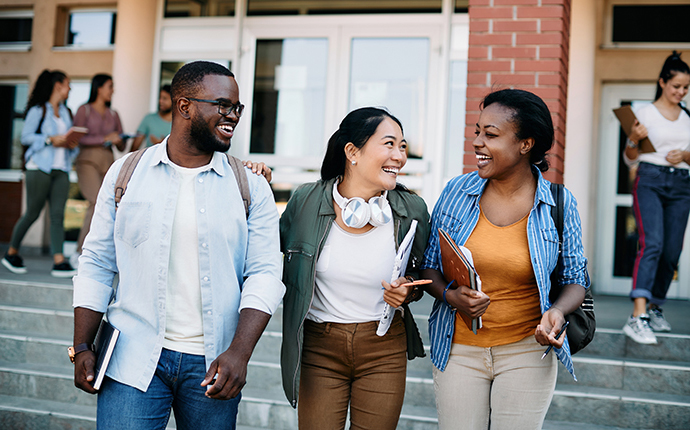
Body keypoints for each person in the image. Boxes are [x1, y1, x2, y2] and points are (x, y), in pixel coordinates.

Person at [71, 61, 285, 429]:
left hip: (214, 366)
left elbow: (265, 273)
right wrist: (83, 346)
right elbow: (97, 261)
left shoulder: (250, 187)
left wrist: (239, 353)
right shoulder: (126, 174)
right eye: (222, 105)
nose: (232, 116)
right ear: (184, 106)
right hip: (131, 360)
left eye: (237, 107)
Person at [420, 89, 590, 430]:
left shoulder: (559, 202)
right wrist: (450, 296)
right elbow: (430, 266)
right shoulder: (456, 191)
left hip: (527, 351)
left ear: (525, 144)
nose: (478, 142)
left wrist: (556, 312)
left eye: (491, 135)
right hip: (458, 351)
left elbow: (576, 280)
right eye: (477, 132)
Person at [279, 107, 430, 429]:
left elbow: (420, 274)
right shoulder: (305, 202)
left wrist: (407, 290)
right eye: (389, 144)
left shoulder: (411, 209)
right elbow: (266, 258)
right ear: (352, 152)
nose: (399, 157)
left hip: (384, 347)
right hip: (320, 347)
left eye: (402, 146)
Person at [622, 51, 690, 344]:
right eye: (676, 86)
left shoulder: (688, 115)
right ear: (662, 82)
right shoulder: (643, 113)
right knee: (652, 244)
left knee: (672, 251)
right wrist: (634, 139)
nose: (681, 92)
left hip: (682, 185)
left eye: (686, 88)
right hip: (650, 180)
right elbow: (629, 159)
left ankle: (655, 307)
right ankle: (637, 317)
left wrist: (686, 155)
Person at [1, 70, 79, 277]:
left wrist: (72, 143)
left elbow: (70, 142)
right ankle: (11, 253)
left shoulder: (66, 112)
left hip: (61, 169)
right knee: (32, 213)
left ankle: (59, 261)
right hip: (39, 168)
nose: (70, 88)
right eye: (68, 84)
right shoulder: (38, 110)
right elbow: (26, 137)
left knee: (57, 216)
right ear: (57, 86)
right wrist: (48, 139)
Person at [72, 74, 125, 258]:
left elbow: (121, 145)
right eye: (110, 86)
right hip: (87, 162)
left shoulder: (114, 113)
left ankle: (102, 254)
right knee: (96, 202)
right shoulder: (84, 110)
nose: (113, 91)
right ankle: (80, 252)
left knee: (109, 206)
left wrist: (119, 140)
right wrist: (104, 138)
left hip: (108, 163)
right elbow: (77, 138)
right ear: (99, 88)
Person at [130, 85, 173, 151]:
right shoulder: (149, 119)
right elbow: (134, 147)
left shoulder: (179, 123)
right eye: (160, 98)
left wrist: (163, 145)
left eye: (165, 98)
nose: (160, 101)